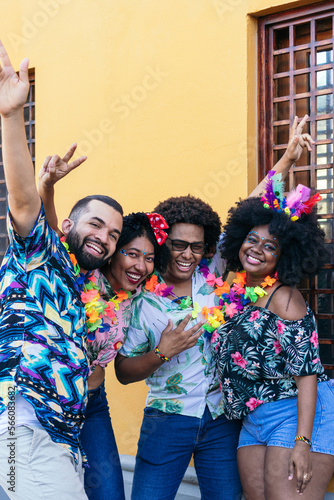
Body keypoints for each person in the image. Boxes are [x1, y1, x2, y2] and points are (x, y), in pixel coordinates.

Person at [114, 117, 315, 500]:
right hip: (166, 420)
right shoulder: (141, 300)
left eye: (196, 246)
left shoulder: (216, 274)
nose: (187, 254)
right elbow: (123, 372)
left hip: (222, 419)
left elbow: (251, 210)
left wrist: (287, 160)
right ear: (163, 244)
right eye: (177, 245)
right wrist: (161, 353)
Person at [0, 41, 123, 499]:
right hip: (24, 426)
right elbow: (23, 199)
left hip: (56, 434)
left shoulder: (82, 285)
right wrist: (12, 118)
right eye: (97, 224)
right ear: (67, 225)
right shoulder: (39, 254)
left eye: (113, 235)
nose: (105, 238)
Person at [38, 155, 170, 499]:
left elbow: (209, 256)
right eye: (131, 253)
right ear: (112, 251)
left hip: (93, 404)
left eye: (149, 257)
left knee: (109, 493)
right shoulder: (82, 273)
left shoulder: (140, 291)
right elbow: (51, 232)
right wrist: (47, 186)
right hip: (52, 399)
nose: (141, 265)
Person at [214, 173, 334, 499]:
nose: (257, 249)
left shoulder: (285, 299)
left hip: (294, 415)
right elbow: (235, 224)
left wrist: (302, 443)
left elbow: (308, 375)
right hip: (253, 420)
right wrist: (286, 161)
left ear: (284, 256)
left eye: (271, 246)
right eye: (251, 239)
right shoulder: (236, 287)